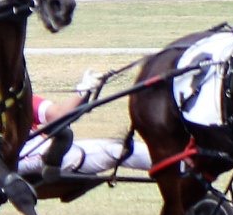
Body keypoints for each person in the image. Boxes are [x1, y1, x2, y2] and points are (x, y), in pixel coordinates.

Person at [19, 72, 150, 178]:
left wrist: (84, 90)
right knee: (75, 152)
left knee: (119, 150)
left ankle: (163, 160)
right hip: (22, 159)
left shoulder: (21, 99)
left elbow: (58, 114)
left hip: (51, 149)